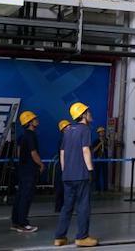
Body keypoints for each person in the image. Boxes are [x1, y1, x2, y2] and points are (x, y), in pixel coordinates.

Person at [54, 102, 98, 247]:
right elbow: (86, 150)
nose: (90, 114)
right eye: (88, 112)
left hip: (68, 176)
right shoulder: (85, 129)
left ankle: (60, 237)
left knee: (67, 207)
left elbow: (62, 153)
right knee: (83, 206)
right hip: (81, 175)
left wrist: (65, 170)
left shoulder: (67, 131)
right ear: (83, 115)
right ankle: (82, 237)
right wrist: (90, 170)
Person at [11, 110, 43, 233]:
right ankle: (23, 223)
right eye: (34, 119)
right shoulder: (31, 136)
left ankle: (15, 221)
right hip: (30, 170)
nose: (36, 120)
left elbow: (19, 153)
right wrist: (41, 165)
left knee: (20, 196)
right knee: (26, 196)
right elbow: (33, 153)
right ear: (30, 122)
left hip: (22, 169)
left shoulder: (22, 136)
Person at [54, 120, 71, 213]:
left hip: (65, 167)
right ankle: (59, 207)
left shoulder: (67, 139)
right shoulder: (64, 140)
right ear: (63, 129)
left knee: (65, 189)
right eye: (67, 127)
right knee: (60, 188)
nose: (70, 128)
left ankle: (63, 207)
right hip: (62, 167)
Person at [91, 127, 108, 193]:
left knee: (105, 174)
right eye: (101, 132)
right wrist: (100, 144)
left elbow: (109, 148)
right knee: (97, 174)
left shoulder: (106, 140)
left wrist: (105, 144)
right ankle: (97, 189)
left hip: (105, 159)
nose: (102, 133)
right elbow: (94, 150)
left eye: (103, 132)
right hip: (98, 159)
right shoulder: (96, 141)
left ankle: (105, 189)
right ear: (98, 133)